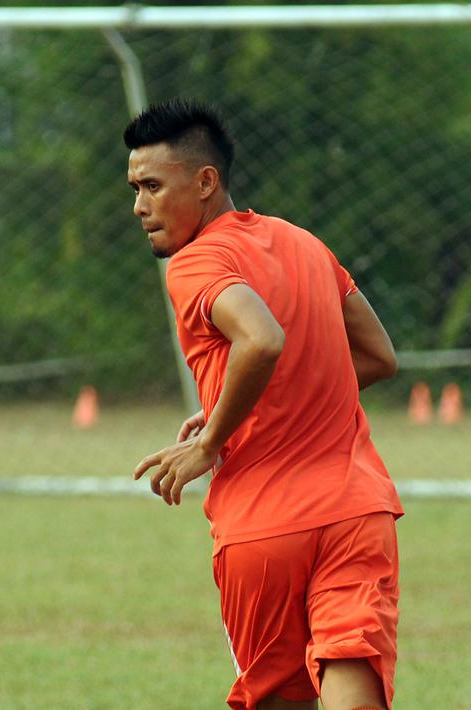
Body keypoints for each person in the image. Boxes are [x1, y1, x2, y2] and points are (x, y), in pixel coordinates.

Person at [125, 99, 403, 710]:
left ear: (205, 181)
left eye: (151, 186)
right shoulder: (305, 243)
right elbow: (379, 357)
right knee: (352, 671)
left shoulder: (195, 262)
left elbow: (262, 337)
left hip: (264, 523)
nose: (139, 207)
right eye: (134, 188)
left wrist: (210, 440)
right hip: (356, 510)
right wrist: (255, 402)